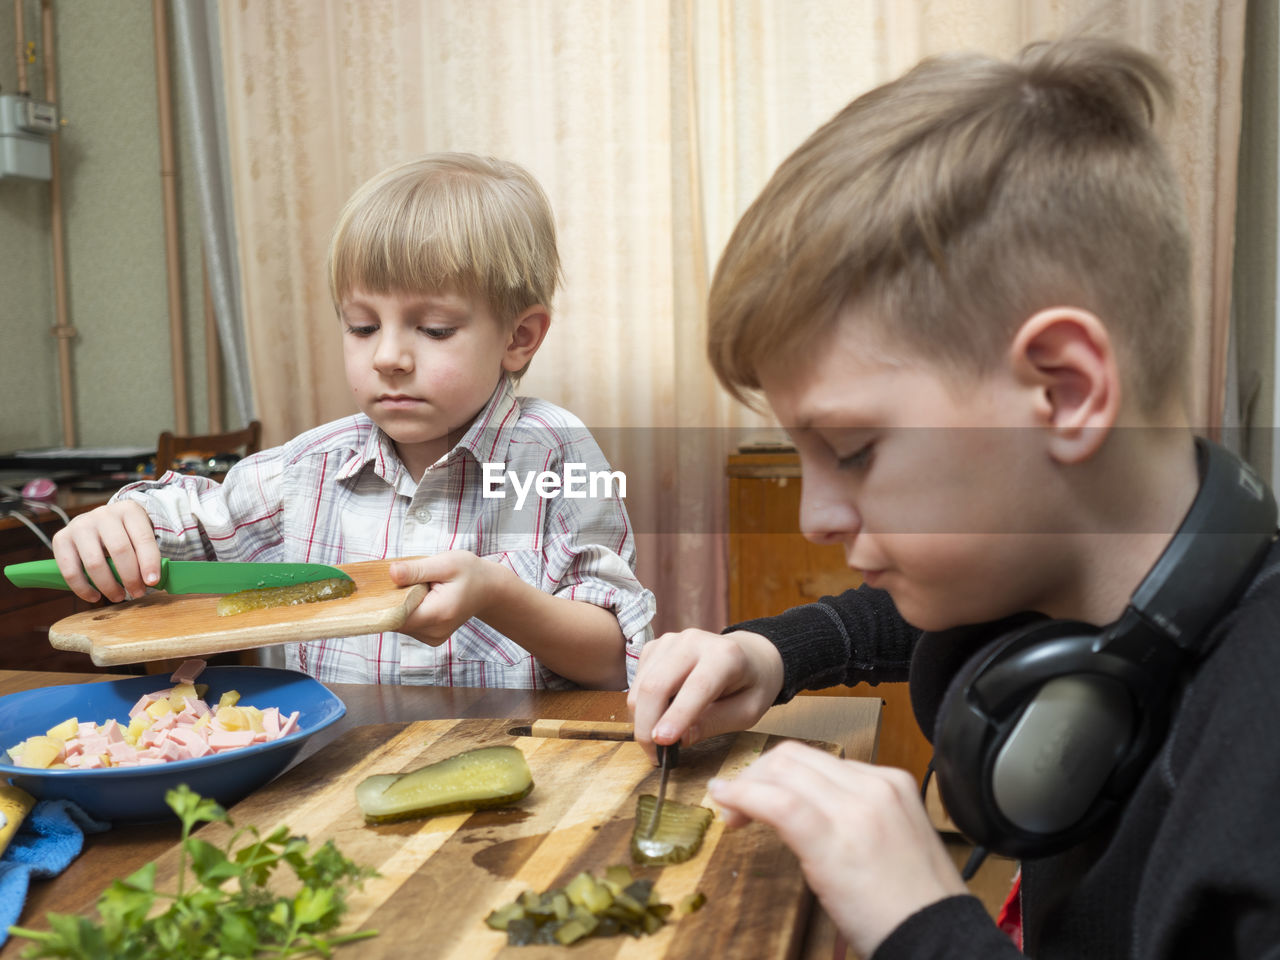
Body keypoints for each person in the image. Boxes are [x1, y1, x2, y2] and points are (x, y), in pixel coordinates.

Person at [628, 37, 1280, 959]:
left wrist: (923, 926)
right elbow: (934, 608)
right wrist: (769, 652)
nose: (817, 515)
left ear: (1062, 392)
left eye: (852, 450)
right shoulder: (1068, 579)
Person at [51, 153, 655, 689]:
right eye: (362, 327)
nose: (387, 356)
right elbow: (185, 535)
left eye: (435, 329)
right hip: (331, 778)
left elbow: (612, 659)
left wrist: (498, 596)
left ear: (519, 337)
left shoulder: (557, 455)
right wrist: (117, 524)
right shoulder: (311, 467)